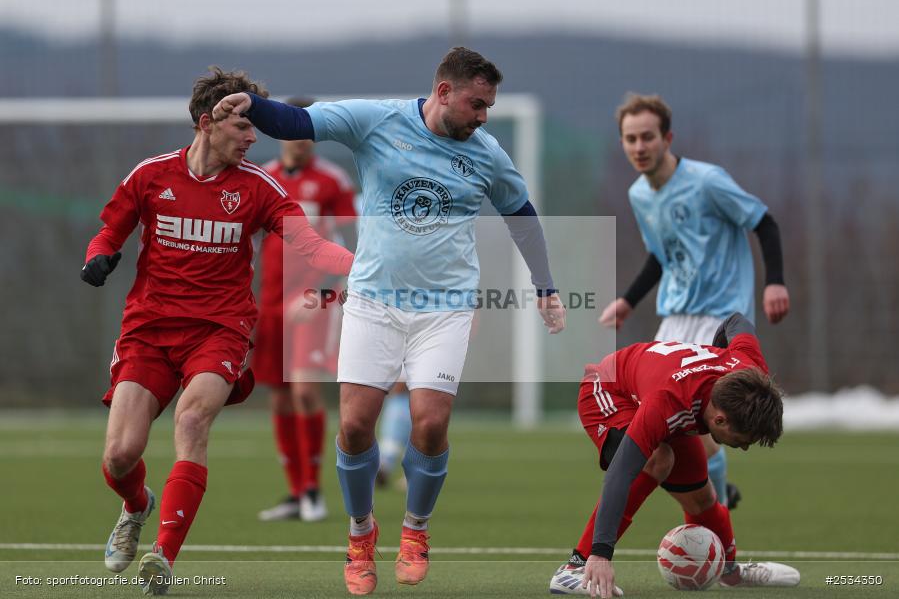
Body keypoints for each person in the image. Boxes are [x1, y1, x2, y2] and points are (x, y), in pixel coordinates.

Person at [213, 46, 567, 595]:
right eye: (476, 104)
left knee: (429, 422)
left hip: (445, 308)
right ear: (444, 92)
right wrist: (253, 105)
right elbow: (299, 122)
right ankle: (360, 535)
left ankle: (415, 531)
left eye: (489, 107)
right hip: (374, 302)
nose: (483, 117)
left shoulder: (487, 152)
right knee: (355, 427)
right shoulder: (376, 120)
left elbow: (521, 215)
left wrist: (545, 285)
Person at [82, 67, 353, 596]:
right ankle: (137, 506)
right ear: (208, 123)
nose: (255, 138)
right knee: (120, 456)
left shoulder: (259, 187)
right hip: (148, 331)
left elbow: (313, 246)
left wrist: (362, 266)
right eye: (244, 128)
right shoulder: (151, 176)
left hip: (220, 331)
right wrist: (98, 257)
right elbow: (109, 231)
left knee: (192, 418)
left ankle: (164, 555)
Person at [598, 93, 790, 510]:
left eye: (647, 137)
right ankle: (715, 500)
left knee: (701, 427)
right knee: (658, 426)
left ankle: (714, 518)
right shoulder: (639, 195)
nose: (639, 147)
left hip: (719, 316)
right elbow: (662, 255)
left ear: (667, 137)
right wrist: (629, 301)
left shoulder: (707, 181)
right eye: (630, 139)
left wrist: (774, 282)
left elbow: (764, 222)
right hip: (675, 317)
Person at [549, 313, 800, 597]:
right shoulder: (666, 402)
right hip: (607, 389)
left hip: (663, 396)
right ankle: (574, 568)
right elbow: (621, 472)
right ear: (718, 419)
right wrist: (600, 554)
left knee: (701, 496)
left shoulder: (753, 373)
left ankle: (729, 573)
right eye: (742, 440)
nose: (743, 447)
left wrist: (718, 352)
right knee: (658, 458)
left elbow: (735, 321)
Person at [254, 97, 358, 523]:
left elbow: (352, 246)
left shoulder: (332, 181)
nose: (301, 140)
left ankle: (314, 490)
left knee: (304, 390)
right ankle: (296, 493)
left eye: (308, 131)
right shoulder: (263, 179)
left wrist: (319, 291)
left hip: (314, 301)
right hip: (270, 302)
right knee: (279, 398)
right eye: (293, 130)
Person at [375, 382, 412, 490]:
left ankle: (383, 467)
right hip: (410, 402)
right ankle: (410, 476)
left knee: (391, 439)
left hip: (399, 403)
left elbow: (401, 383)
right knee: (409, 441)